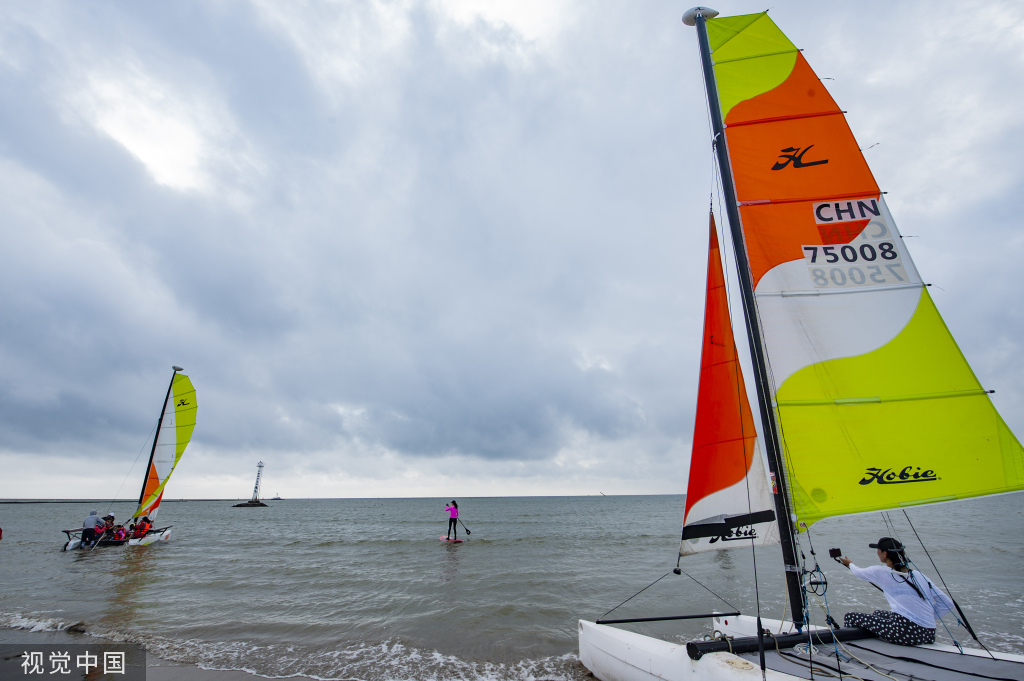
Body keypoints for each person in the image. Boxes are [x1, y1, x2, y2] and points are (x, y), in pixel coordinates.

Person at [839, 537, 955, 646]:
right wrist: (924, 618)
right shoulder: (918, 575)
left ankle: (852, 649)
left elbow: (858, 573)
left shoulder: (881, 572)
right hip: (929, 634)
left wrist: (850, 564)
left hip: (908, 633)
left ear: (885, 554)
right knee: (878, 614)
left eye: (878, 550)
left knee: (851, 617)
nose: (877, 553)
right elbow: (947, 603)